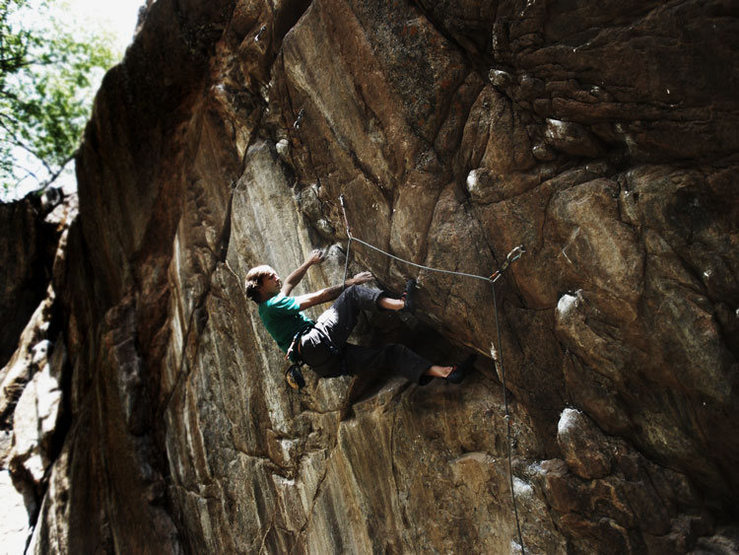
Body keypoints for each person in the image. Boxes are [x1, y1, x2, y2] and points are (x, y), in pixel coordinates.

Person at [245, 249, 473, 387]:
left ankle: (447, 373)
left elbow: (288, 284)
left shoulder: (268, 308)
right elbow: (318, 297)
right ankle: (403, 304)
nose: (276, 277)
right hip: (315, 343)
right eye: (270, 276)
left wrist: (308, 263)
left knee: (391, 354)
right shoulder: (273, 305)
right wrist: (351, 283)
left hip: (323, 364)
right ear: (260, 286)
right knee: (352, 295)